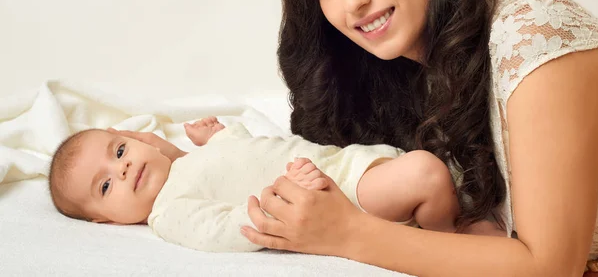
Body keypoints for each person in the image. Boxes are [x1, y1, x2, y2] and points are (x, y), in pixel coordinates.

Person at [239, 0, 598, 275]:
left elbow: (552, 267)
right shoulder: (396, 73)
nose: (352, 1)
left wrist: (347, 233)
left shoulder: (536, 37)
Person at [48, 116, 488, 253]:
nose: (122, 170)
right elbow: (225, 229)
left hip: (345, 161)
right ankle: (448, 245)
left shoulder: (189, 162)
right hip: (335, 195)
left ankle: (454, 222)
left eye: (119, 151)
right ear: (106, 221)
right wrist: (279, 199)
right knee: (426, 173)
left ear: (139, 139)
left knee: (441, 171)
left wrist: (212, 136)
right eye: (105, 187)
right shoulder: (169, 213)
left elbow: (240, 151)